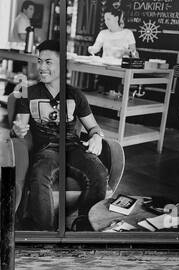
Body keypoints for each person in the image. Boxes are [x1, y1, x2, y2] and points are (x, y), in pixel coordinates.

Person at [12, 41, 111, 231]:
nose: (41, 67)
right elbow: (20, 126)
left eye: (48, 62)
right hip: (46, 149)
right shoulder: (28, 93)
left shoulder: (75, 95)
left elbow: (93, 127)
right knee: (40, 175)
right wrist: (17, 130)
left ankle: (85, 229)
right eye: (40, 61)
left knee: (99, 173)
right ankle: (45, 233)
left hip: (73, 147)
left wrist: (97, 136)